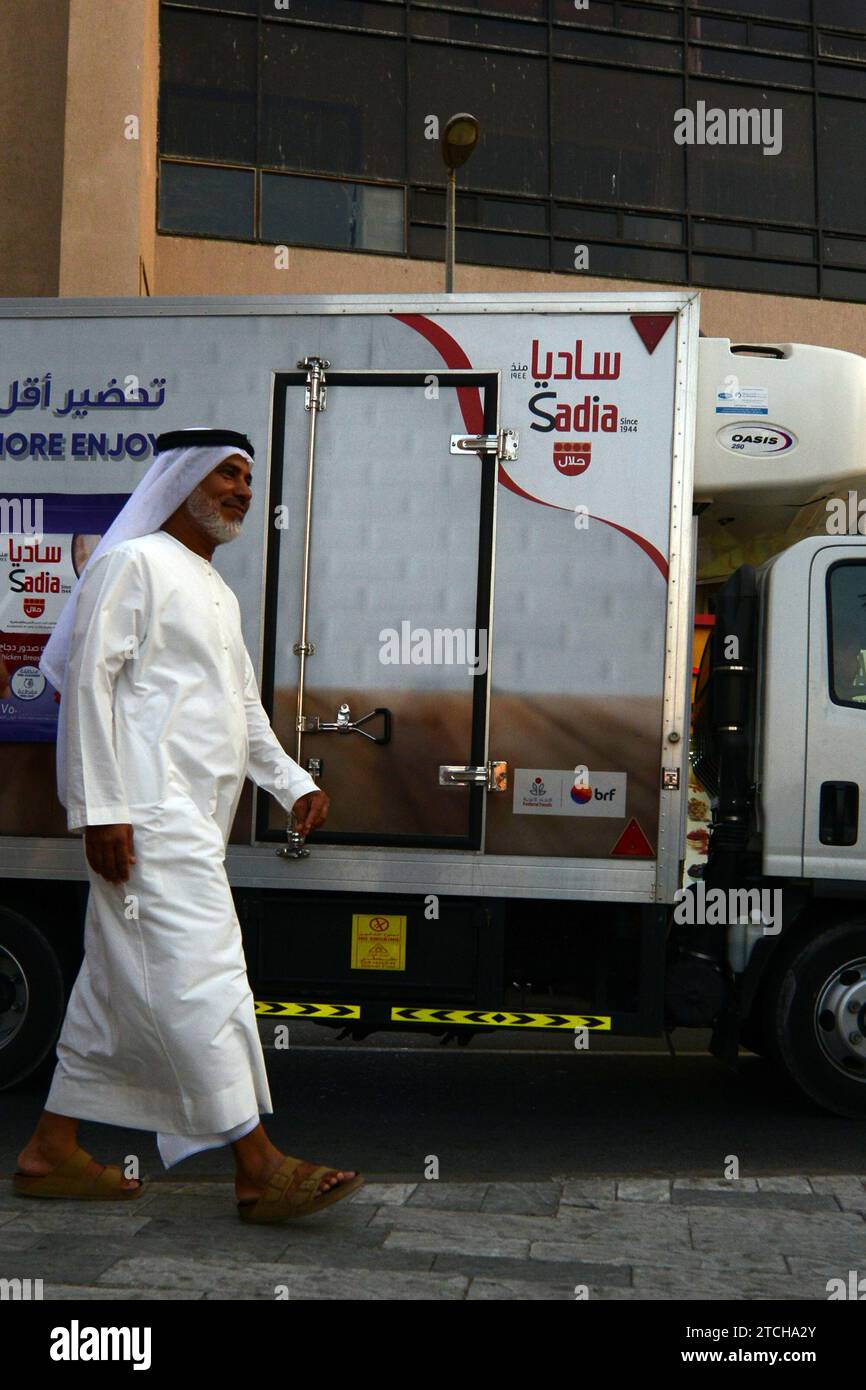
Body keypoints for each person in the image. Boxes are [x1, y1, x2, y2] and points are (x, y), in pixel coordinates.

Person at [14, 428, 363, 1223]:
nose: (243, 488)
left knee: (114, 986)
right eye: (226, 475)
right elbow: (87, 690)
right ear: (179, 482)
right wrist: (100, 809)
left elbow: (239, 710)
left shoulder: (212, 587)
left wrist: (292, 782)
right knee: (203, 978)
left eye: (248, 477)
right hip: (145, 817)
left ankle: (51, 1149)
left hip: (195, 825)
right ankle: (257, 1166)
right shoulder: (129, 564)